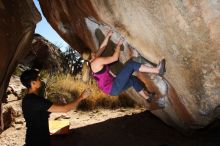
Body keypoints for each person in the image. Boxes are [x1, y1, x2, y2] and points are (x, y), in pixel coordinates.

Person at [89, 30, 166, 103]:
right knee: (131, 65)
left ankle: (147, 98)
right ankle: (158, 70)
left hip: (112, 89)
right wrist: (118, 46)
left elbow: (102, 48)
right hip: (113, 87)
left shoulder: (93, 61)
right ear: (91, 58)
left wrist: (108, 36)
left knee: (132, 80)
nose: (95, 54)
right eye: (93, 54)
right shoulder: (96, 62)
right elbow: (114, 58)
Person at [20, 69, 91, 146]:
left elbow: (41, 112)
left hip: (35, 139)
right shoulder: (36, 100)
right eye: (38, 79)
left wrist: (58, 105)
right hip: (38, 141)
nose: (40, 81)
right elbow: (65, 109)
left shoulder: (28, 99)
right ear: (33, 83)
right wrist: (81, 97)